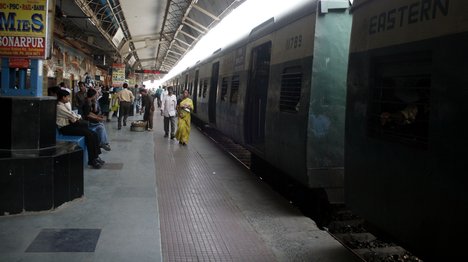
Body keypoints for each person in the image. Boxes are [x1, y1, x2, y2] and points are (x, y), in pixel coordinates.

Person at [56, 88, 104, 169]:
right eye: (67, 97)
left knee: (94, 134)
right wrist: (76, 117)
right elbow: (72, 115)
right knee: (89, 135)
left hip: (71, 125)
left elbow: (73, 115)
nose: (68, 99)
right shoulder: (59, 107)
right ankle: (92, 160)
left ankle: (96, 157)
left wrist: (76, 117)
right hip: (65, 128)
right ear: (63, 97)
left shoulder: (65, 105)